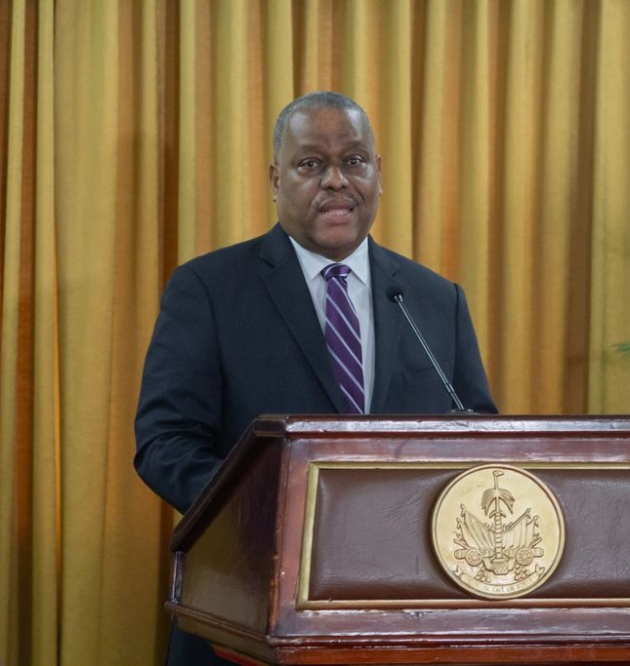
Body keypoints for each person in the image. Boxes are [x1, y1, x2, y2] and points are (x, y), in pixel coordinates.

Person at [134, 91, 498, 665]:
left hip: (405, 612)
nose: (336, 180)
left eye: (353, 160)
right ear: (276, 179)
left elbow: (480, 439)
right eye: (311, 164)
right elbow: (165, 443)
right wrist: (269, 516)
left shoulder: (433, 299)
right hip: (249, 609)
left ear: (378, 173)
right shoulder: (209, 289)